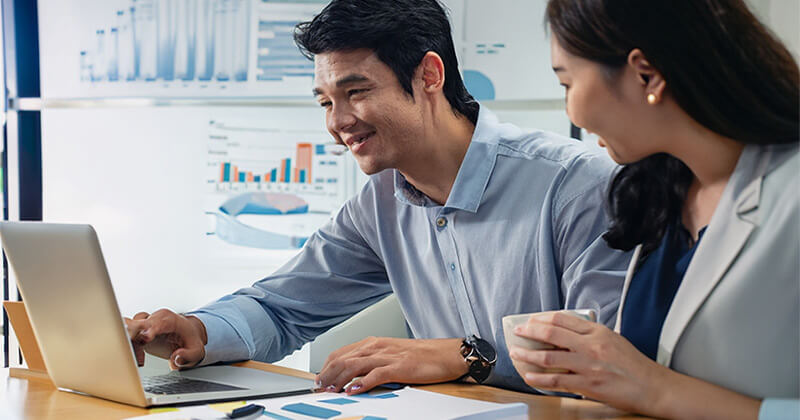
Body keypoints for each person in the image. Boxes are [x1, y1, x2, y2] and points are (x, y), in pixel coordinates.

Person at [126, 0, 630, 395]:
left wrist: (467, 356)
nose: (337, 123)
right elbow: (283, 307)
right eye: (326, 101)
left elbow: (612, 359)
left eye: (356, 92)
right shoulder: (381, 203)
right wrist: (197, 329)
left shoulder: (573, 184)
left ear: (429, 76)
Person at [510, 0, 799, 418]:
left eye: (567, 84)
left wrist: (653, 388)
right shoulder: (663, 191)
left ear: (645, 73)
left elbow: (655, 385)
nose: (570, 110)